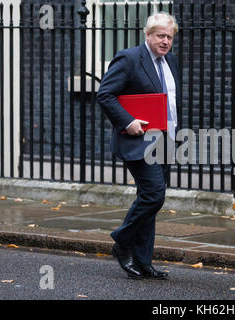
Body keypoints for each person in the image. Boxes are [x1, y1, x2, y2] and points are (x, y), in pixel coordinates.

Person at [97, 12, 180, 280]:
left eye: (169, 36)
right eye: (160, 36)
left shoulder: (171, 62)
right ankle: (122, 242)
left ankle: (143, 261)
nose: (165, 41)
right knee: (154, 195)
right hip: (138, 140)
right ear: (148, 34)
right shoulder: (130, 58)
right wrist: (128, 121)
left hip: (165, 140)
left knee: (151, 201)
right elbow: (105, 94)